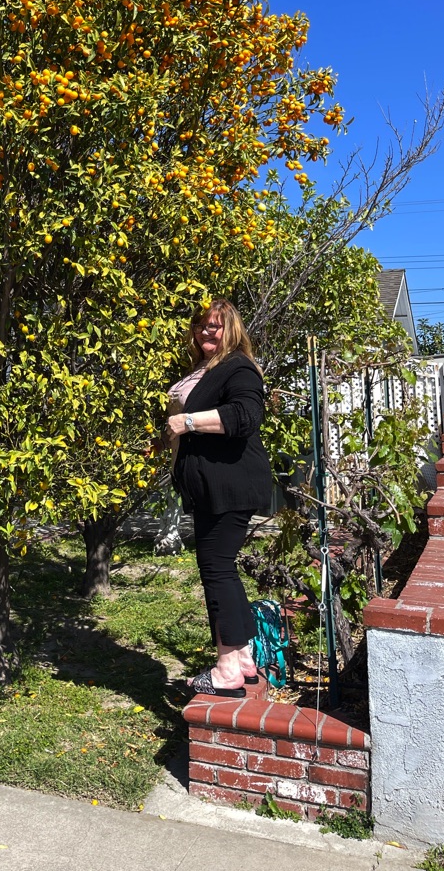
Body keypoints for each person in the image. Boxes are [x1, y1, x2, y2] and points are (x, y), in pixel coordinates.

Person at [162, 298, 272, 698]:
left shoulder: (237, 366)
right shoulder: (206, 369)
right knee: (222, 569)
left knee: (217, 571)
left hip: (229, 485)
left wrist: (185, 421)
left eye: (216, 325)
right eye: (202, 324)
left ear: (233, 330)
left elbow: (245, 416)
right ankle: (242, 658)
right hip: (212, 487)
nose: (207, 330)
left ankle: (226, 670)